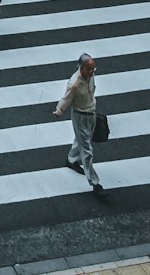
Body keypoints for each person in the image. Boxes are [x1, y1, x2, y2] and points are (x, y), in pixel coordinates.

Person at [54, 52, 104, 193]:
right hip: (80, 116)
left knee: (82, 139)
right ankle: (95, 183)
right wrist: (59, 111)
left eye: (93, 68)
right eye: (89, 69)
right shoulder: (74, 84)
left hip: (91, 113)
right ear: (81, 68)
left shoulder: (90, 75)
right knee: (87, 149)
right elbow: (66, 99)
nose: (92, 71)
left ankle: (71, 159)